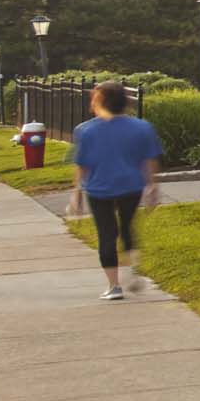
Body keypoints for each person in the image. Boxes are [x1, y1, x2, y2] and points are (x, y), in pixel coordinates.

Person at [69, 82, 165, 300]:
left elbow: (82, 165)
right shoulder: (142, 127)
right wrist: (152, 186)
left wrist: (77, 193)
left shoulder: (86, 131)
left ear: (99, 101)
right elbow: (149, 159)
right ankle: (133, 271)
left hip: (98, 189)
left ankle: (114, 286)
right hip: (131, 186)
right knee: (127, 227)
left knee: (107, 234)